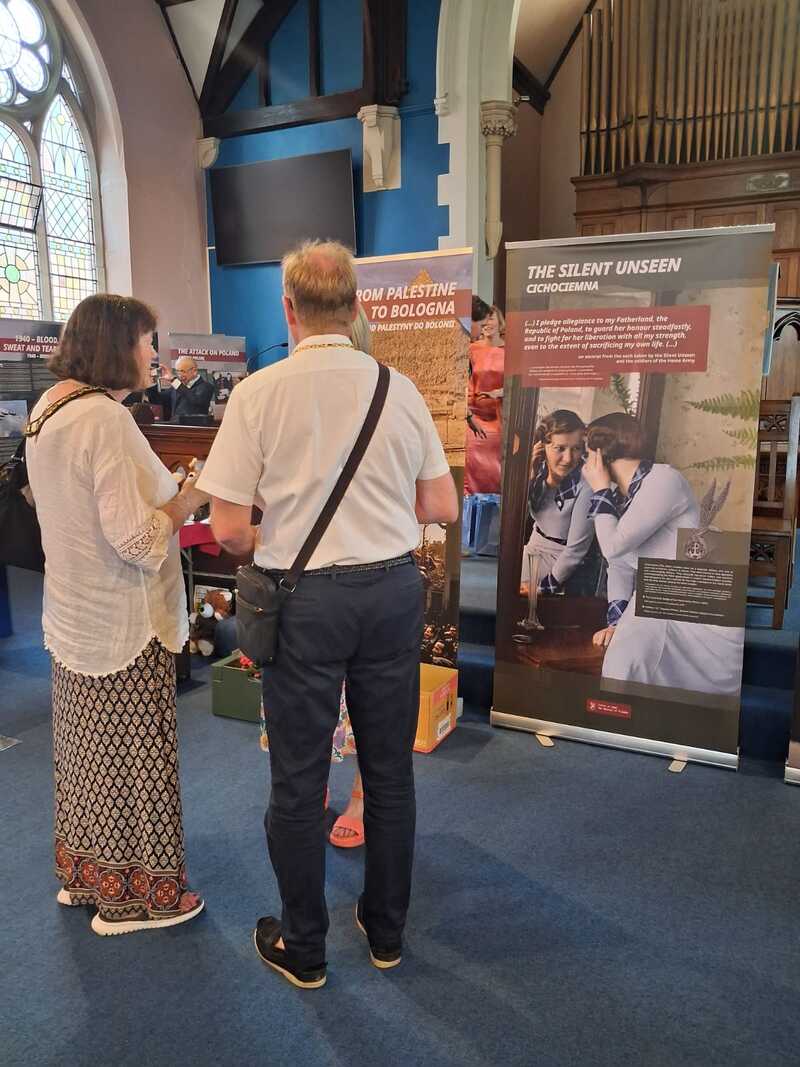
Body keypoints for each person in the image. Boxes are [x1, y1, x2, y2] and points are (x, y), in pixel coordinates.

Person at [197, 239, 458, 989]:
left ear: (289, 309)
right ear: (355, 307)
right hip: (389, 594)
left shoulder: (258, 393)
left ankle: (303, 948)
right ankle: (385, 934)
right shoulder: (399, 388)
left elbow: (228, 531)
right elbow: (440, 505)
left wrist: (281, 522)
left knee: (298, 777)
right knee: (389, 774)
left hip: (302, 601)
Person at [25, 293, 209, 936]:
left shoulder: (49, 410)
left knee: (86, 757)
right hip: (124, 621)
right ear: (116, 346)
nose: (155, 354)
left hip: (73, 613)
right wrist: (190, 498)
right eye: (146, 341)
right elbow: (134, 541)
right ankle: (142, 899)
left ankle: (88, 878)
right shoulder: (103, 419)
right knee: (138, 760)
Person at [583, 412, 743, 695]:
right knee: (622, 664)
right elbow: (617, 563)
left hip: (690, 599)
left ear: (598, 456)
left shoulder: (664, 479)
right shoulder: (618, 496)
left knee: (625, 665)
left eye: (587, 455)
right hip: (655, 595)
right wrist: (615, 622)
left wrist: (598, 489)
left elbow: (613, 545)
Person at [521, 409, 596, 599]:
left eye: (576, 448)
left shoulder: (587, 485)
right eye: (560, 448)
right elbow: (517, 516)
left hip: (560, 567)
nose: (569, 458)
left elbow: (576, 550)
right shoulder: (537, 471)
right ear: (543, 446)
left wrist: (543, 588)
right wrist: (529, 472)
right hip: (531, 550)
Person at [465, 305, 505, 495]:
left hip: (498, 417)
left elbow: (518, 385)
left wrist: (499, 392)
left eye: (492, 318)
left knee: (493, 469)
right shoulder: (471, 349)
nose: (488, 323)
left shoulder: (510, 352)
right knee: (471, 459)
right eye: (485, 320)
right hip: (474, 416)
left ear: (500, 321)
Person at [170, 356, 215, 421]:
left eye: (183, 371)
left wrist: (174, 381)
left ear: (194, 371)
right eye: (178, 371)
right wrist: (151, 383)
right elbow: (158, 399)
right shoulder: (177, 387)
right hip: (174, 428)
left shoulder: (206, 387)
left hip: (193, 429)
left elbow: (195, 400)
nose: (179, 375)